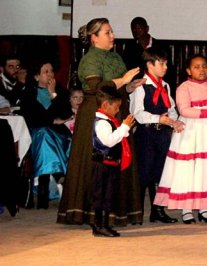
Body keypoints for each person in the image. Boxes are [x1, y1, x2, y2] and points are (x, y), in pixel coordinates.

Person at [57, 17, 144, 227]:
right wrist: (123, 80)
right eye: (107, 32)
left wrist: (129, 87)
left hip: (118, 111)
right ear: (94, 38)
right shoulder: (90, 59)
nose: (112, 36)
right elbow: (98, 89)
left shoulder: (116, 57)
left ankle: (115, 213)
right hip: (96, 115)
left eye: (112, 31)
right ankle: (92, 214)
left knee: (119, 158)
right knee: (97, 164)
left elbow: (117, 88)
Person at [154, 55, 207, 224]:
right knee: (189, 168)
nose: (202, 70)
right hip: (191, 131)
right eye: (197, 67)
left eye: (204, 66)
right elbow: (184, 110)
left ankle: (205, 208)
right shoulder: (184, 87)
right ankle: (186, 209)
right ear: (188, 70)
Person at [129, 47, 184, 224]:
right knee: (144, 173)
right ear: (149, 64)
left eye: (166, 63)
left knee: (160, 172)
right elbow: (137, 113)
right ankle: (136, 212)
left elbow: (171, 109)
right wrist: (158, 118)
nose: (165, 67)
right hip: (146, 134)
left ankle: (157, 211)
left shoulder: (165, 85)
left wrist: (174, 121)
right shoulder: (140, 86)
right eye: (162, 63)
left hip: (162, 134)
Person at [19, 60, 72, 209]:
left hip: (58, 135)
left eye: (51, 71)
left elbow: (66, 113)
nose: (50, 75)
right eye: (45, 72)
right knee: (43, 134)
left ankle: (45, 188)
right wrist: (52, 120)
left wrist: (53, 94)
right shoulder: (29, 93)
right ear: (37, 76)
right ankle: (58, 175)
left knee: (46, 137)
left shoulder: (59, 91)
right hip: (36, 134)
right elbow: (32, 117)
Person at [91, 84, 136, 237]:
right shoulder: (102, 123)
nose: (117, 111)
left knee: (109, 195)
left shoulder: (110, 121)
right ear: (105, 105)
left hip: (110, 164)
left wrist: (124, 127)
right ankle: (99, 225)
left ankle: (104, 224)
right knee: (101, 195)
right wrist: (124, 127)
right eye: (116, 107)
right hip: (102, 165)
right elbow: (109, 141)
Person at [122, 17, 175, 92]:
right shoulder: (130, 48)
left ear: (147, 28)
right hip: (137, 87)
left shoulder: (161, 46)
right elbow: (126, 69)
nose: (136, 31)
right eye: (133, 29)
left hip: (159, 86)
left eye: (139, 28)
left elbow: (169, 71)